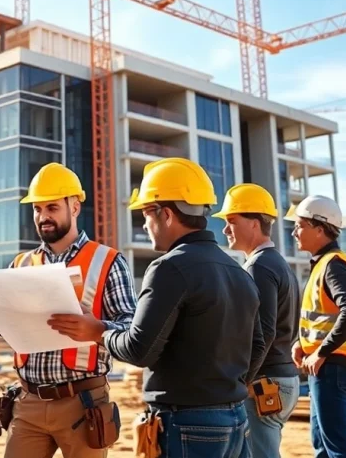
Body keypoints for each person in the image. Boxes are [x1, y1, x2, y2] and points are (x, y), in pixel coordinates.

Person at [53, 158, 262, 458]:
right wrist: (227, 388)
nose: (144, 225)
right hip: (235, 418)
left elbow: (139, 349)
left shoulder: (169, 268)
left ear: (165, 214)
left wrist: (98, 330)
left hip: (188, 422)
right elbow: (257, 343)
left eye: (146, 215)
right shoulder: (238, 271)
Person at [0, 162, 137, 458]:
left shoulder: (107, 261)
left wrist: (96, 328)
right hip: (29, 400)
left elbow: (130, 331)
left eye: (52, 208)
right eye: (37, 209)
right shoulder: (21, 265)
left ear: (74, 207)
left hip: (84, 401)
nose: (43, 217)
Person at [214, 183, 301, 458]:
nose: (225, 229)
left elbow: (264, 331)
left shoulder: (259, 266)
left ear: (254, 223)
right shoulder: (277, 263)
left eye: (231, 221)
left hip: (265, 382)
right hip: (281, 378)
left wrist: (241, 382)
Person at [286, 195, 346, 458]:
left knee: (336, 447)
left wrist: (321, 351)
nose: (294, 232)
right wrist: (303, 343)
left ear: (319, 229)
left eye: (299, 226)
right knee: (321, 442)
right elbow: (323, 316)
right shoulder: (324, 264)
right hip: (329, 365)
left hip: (333, 365)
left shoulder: (333, 265)